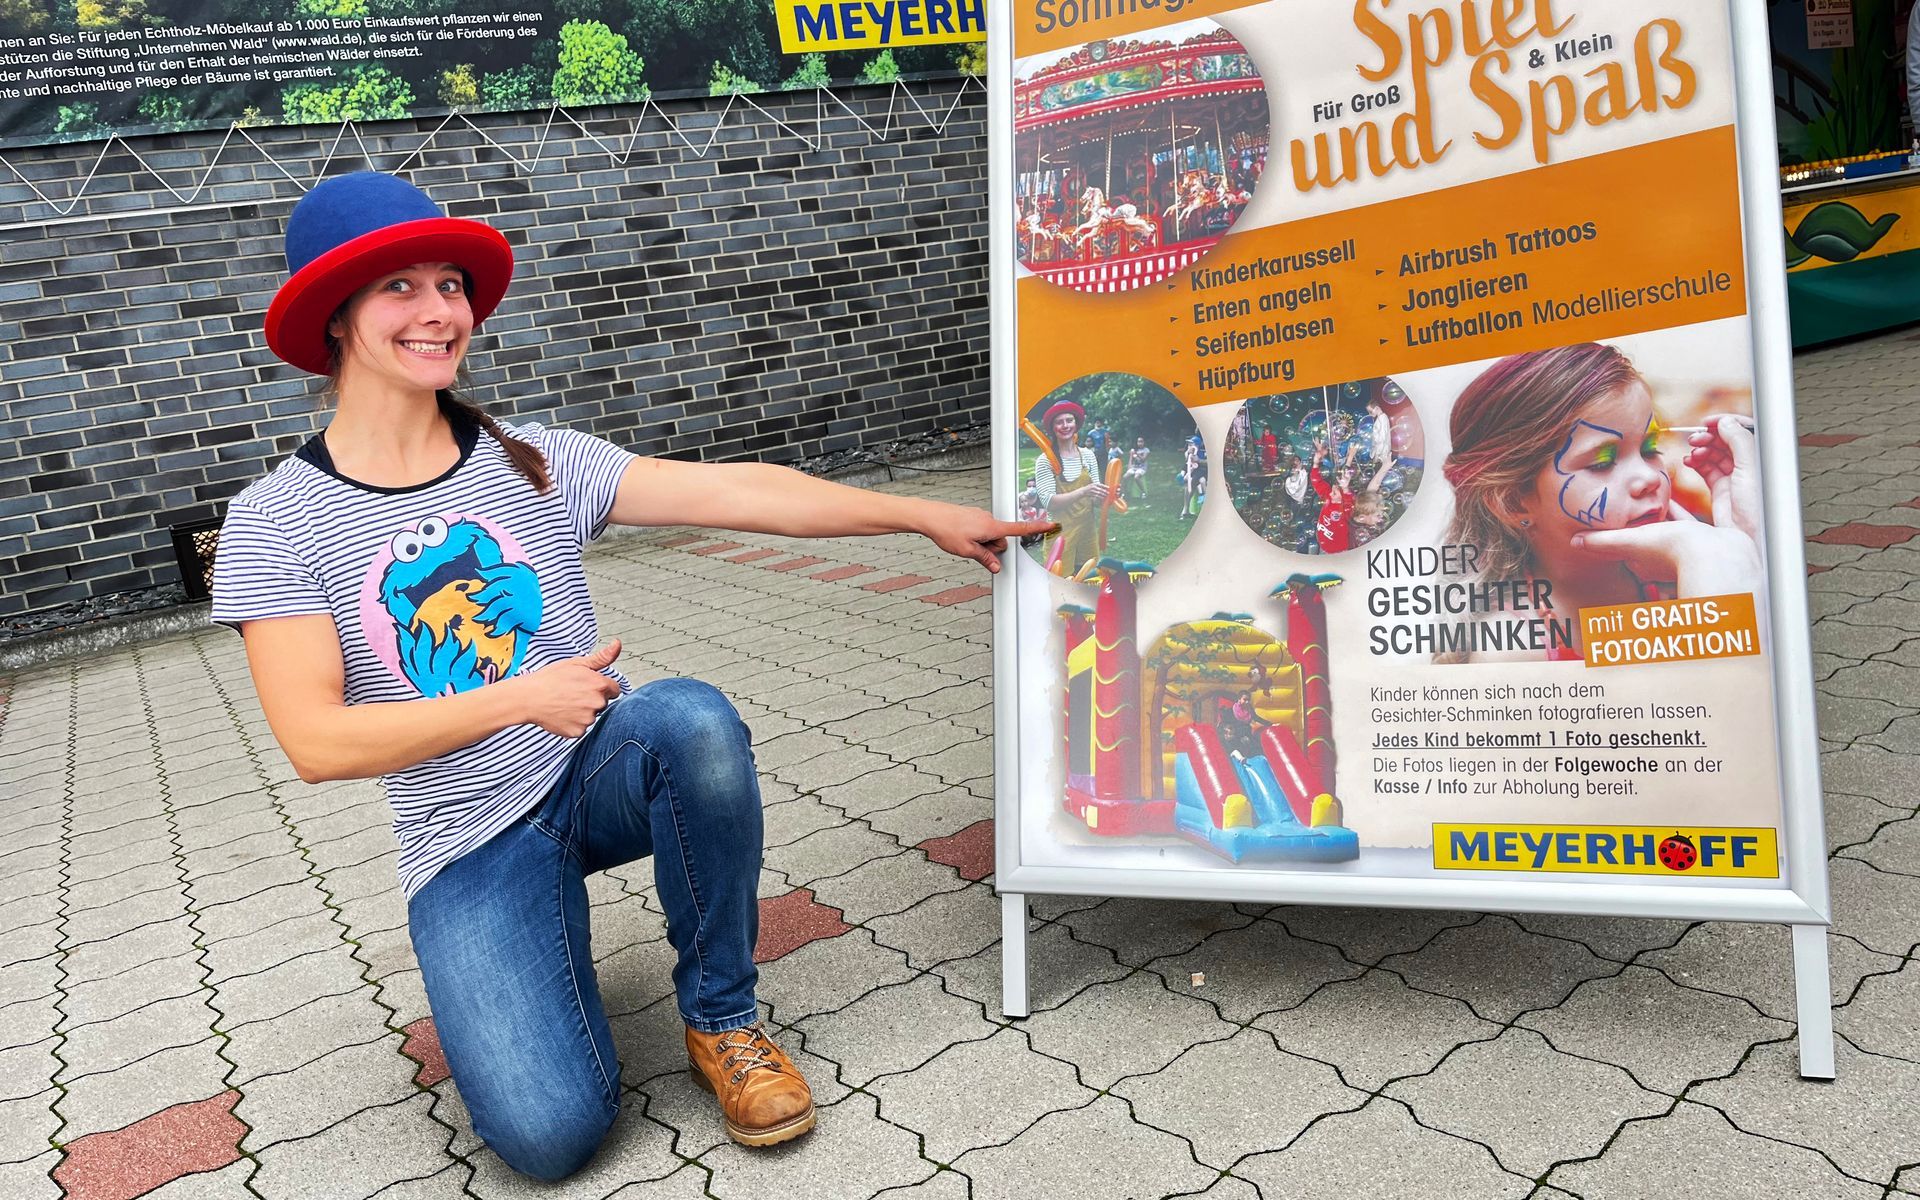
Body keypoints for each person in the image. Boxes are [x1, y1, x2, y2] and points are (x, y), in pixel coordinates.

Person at [210, 172, 1047, 1180]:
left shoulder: (533, 458)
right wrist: (521, 696)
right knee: (551, 1137)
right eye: (400, 288)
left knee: (691, 722)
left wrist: (920, 514)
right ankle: (533, 942)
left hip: (595, 770)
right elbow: (315, 741)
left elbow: (739, 493)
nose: (439, 312)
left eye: (450, 285)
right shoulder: (277, 520)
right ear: (336, 317)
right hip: (465, 839)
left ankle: (722, 1018)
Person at [1440, 342, 1761, 662]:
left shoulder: (1677, 578)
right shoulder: (1515, 648)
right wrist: (1705, 555)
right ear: (1513, 502)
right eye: (1602, 463)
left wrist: (1746, 542)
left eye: (1650, 449)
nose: (1648, 477)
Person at [1031, 398, 1107, 575]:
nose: (1065, 425)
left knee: (1089, 578)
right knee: (1062, 581)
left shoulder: (1088, 455)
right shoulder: (1045, 461)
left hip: (1087, 531)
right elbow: (1049, 502)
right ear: (1052, 427)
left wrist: (1107, 496)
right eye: (1059, 422)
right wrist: (1084, 491)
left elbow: (1095, 500)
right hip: (1059, 534)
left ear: (1076, 423)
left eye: (1069, 420)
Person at [1309, 438, 1361, 554]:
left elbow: (1349, 499)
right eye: (1334, 488)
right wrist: (1316, 463)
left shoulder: (1346, 506)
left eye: (1335, 491)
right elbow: (1316, 480)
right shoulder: (1329, 495)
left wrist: (1350, 457)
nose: (1332, 490)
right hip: (1323, 548)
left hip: (1339, 553)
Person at [1123, 436, 1151, 504]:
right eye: (1138, 442)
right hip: (1134, 467)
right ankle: (1124, 493)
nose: (1140, 443)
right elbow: (1130, 460)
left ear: (1144, 442)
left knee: (1136, 477)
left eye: (1141, 441)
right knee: (1125, 477)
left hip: (1142, 468)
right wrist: (1129, 468)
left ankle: (1143, 492)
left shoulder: (1146, 450)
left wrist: (1137, 454)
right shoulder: (1133, 450)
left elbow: (1143, 460)